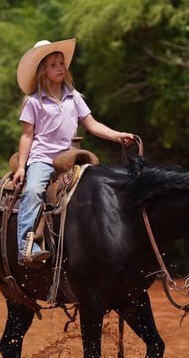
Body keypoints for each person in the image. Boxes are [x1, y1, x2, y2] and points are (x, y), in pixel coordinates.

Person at [13, 38, 136, 266]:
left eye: (61, 63)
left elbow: (92, 124)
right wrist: (22, 167)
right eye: (53, 64)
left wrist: (117, 135)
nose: (60, 67)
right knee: (32, 192)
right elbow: (27, 135)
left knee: (99, 190)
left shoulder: (74, 96)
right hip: (44, 158)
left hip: (70, 157)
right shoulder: (33, 102)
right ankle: (25, 247)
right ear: (42, 71)